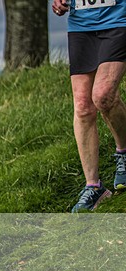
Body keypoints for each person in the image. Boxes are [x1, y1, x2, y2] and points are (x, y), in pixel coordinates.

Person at [53, 0, 126, 212]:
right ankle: (94, 187)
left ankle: (123, 153)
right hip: (81, 27)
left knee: (103, 95)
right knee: (83, 106)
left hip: (119, 21)